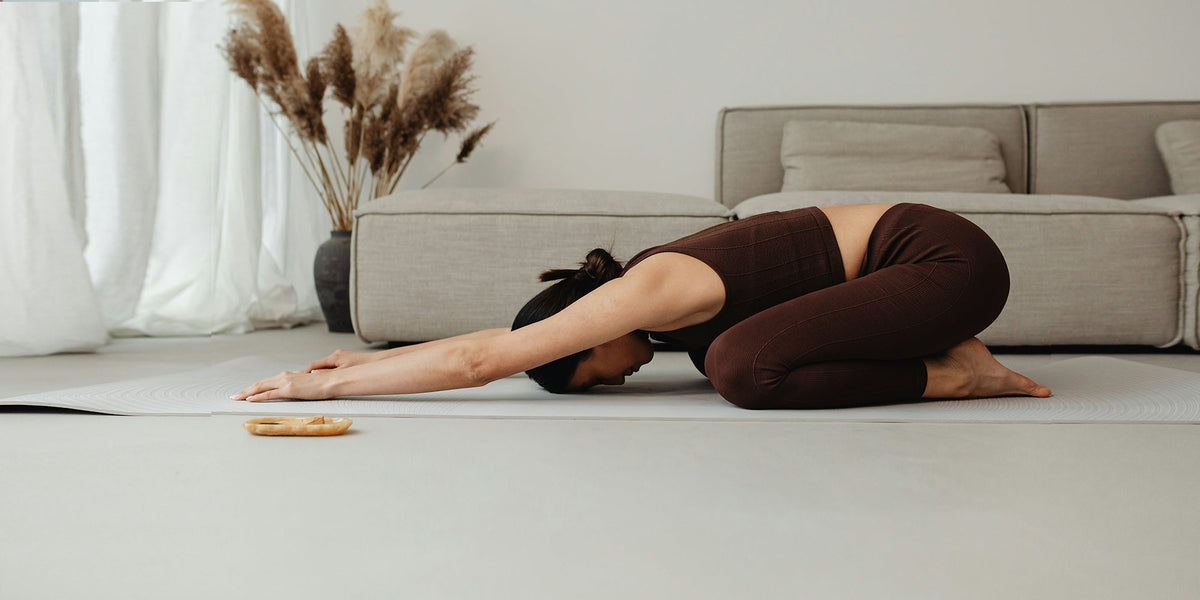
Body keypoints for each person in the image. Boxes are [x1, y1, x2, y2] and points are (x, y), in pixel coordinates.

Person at [233, 202, 1052, 409]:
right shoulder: (645, 307)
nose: (617, 379)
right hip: (918, 275)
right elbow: (501, 340)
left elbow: (485, 360)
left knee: (740, 367)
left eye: (594, 377)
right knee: (722, 356)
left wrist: (317, 389)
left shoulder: (648, 292)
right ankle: (946, 359)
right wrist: (371, 358)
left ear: (588, 333)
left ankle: (958, 375)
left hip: (945, 263)